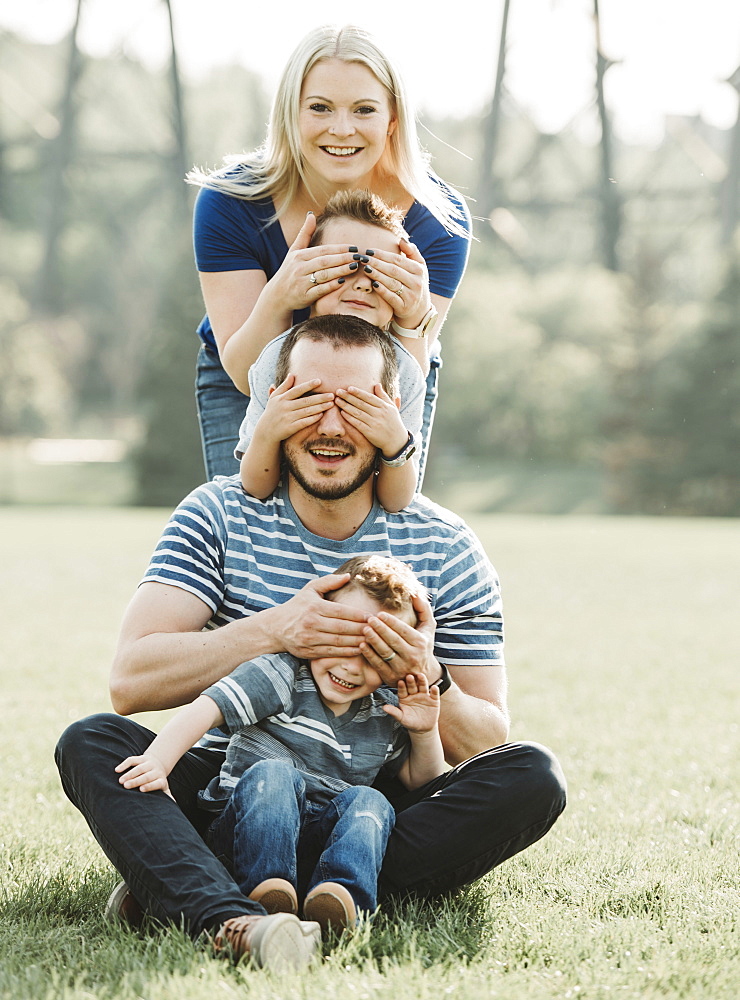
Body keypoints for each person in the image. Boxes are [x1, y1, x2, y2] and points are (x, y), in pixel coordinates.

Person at [55, 315, 567, 972]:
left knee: (532, 776)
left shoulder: (447, 546)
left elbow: (490, 741)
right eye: (308, 399)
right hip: (230, 781)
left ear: (393, 416)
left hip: (371, 794)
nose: (330, 426)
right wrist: (276, 630)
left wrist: (425, 675)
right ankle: (234, 916)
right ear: (274, 405)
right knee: (95, 742)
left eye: (355, 404)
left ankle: (190, 883)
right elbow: (131, 681)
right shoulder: (217, 512)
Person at [189, 24, 471, 482]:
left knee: (377, 536)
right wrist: (281, 296)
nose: (342, 130)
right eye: (320, 108)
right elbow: (244, 374)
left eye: (364, 110)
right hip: (244, 371)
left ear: (392, 120)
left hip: (383, 375)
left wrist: (415, 318)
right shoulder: (231, 201)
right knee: (248, 528)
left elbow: (406, 375)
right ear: (290, 115)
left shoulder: (438, 219)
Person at [115, 556, 444, 935]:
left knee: (373, 802)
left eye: (373, 656)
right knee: (275, 774)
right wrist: (158, 760)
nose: (352, 667)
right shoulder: (282, 673)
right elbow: (206, 709)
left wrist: (424, 731)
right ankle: (264, 891)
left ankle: (340, 900)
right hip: (240, 831)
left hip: (313, 846)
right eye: (342, 643)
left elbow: (423, 783)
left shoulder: (382, 711)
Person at [239, 190, 424, 512]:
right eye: (346, 266)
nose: (364, 284)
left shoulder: (405, 370)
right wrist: (268, 432)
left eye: (382, 274)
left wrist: (396, 443)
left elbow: (397, 502)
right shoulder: (276, 356)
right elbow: (256, 486)